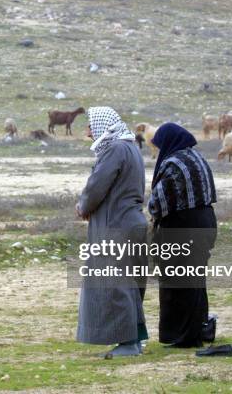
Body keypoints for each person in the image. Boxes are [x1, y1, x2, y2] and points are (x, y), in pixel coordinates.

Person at [76, 107, 148, 357]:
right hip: (131, 222)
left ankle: (128, 343)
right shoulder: (130, 147)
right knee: (129, 283)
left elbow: (97, 185)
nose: (87, 130)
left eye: (89, 124)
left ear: (101, 125)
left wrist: (83, 206)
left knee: (114, 283)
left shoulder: (115, 149)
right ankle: (135, 340)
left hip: (116, 224)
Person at [148, 122, 217, 348]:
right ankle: (200, 329)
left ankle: (180, 335)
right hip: (206, 221)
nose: (158, 151)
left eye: (158, 146)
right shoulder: (197, 158)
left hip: (182, 226)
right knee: (196, 279)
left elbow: (157, 203)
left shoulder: (173, 164)